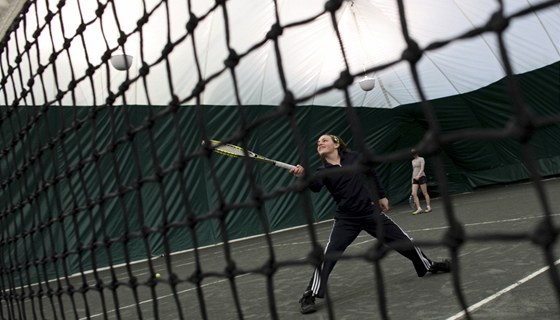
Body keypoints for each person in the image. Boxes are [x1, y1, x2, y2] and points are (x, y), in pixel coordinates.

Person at [290, 134, 450, 314]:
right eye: (318, 142)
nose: (320, 143)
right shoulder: (322, 171)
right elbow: (315, 186)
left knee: (404, 241)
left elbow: (371, 174)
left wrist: (381, 195)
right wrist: (303, 175)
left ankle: (428, 265)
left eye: (324, 140)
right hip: (346, 220)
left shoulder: (355, 158)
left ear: (336, 143)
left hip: (370, 213)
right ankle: (310, 294)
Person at [411, 149, 431, 215]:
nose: (414, 154)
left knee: (425, 193)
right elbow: (414, 170)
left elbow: (422, 168)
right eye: (413, 153)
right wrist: (413, 179)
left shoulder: (421, 159)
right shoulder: (413, 161)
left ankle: (428, 207)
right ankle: (419, 208)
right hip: (415, 178)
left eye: (414, 153)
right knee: (414, 193)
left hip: (422, 177)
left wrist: (418, 176)